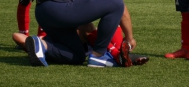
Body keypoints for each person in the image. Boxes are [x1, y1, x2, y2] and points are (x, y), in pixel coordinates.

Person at [24, 0, 137, 67]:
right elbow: (120, 7)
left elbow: (82, 16)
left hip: (42, 12)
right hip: (59, 8)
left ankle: (42, 45)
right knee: (116, 3)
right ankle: (98, 56)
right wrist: (129, 38)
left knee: (77, 55)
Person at [12, 24, 149, 66]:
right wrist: (34, 42)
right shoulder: (51, 41)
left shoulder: (89, 38)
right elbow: (16, 36)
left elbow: (16, 36)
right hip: (71, 51)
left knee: (111, 28)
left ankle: (123, 56)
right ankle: (120, 55)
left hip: (85, 48)